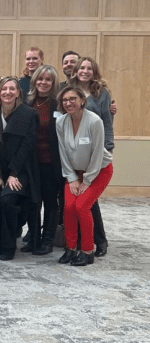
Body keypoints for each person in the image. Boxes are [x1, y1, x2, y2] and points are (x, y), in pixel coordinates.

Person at [0, 77, 40, 261]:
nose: (7, 92)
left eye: (12, 89)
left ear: (18, 92)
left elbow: (27, 146)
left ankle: (8, 246)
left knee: (7, 200)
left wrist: (13, 173)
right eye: (4, 89)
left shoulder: (29, 114)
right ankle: (2, 239)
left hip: (22, 170)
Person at [56, 87, 113, 266]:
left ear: (82, 100)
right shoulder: (61, 122)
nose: (68, 103)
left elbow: (97, 154)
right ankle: (71, 248)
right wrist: (72, 178)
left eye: (73, 98)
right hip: (74, 173)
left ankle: (87, 251)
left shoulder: (94, 121)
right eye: (65, 100)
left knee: (81, 206)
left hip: (98, 171)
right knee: (68, 206)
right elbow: (62, 152)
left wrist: (87, 180)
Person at [68, 56, 114, 256]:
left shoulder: (101, 94)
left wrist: (109, 147)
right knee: (79, 201)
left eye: (89, 68)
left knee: (88, 201)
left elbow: (106, 121)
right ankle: (80, 240)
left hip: (95, 154)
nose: (85, 71)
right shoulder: (69, 91)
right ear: (76, 70)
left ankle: (100, 241)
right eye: (82, 68)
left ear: (94, 72)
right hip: (75, 155)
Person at [26, 65, 62, 255]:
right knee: (33, 202)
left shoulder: (59, 104)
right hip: (31, 163)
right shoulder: (27, 102)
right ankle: (33, 238)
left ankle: (47, 240)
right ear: (34, 81)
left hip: (51, 162)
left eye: (48, 79)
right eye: (40, 79)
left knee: (50, 202)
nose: (43, 83)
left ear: (53, 83)